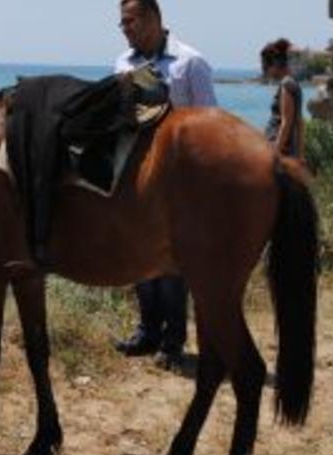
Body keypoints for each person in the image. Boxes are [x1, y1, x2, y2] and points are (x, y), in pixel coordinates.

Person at [112, 0, 218, 368]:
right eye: (121, 23)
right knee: (139, 255)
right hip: (136, 179)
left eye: (131, 21)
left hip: (180, 181)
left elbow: (210, 124)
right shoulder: (123, 63)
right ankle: (147, 332)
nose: (125, 28)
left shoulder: (191, 62)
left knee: (172, 262)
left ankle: (173, 341)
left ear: (154, 18)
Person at [262, 39, 304, 160]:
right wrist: (300, 155)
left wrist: (275, 153)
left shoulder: (286, 84)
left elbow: (286, 122)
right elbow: (300, 122)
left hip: (280, 148)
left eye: (266, 67)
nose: (266, 72)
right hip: (289, 150)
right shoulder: (294, 83)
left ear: (275, 64)